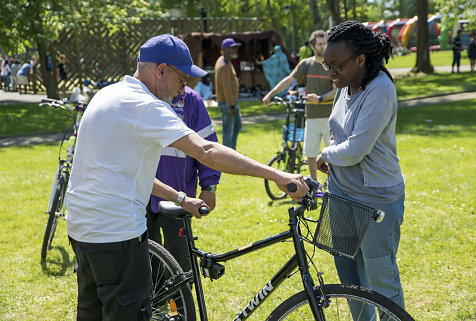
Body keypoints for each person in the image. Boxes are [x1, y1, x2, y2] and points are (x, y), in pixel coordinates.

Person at [66, 34, 308, 321]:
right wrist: (277, 175)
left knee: (91, 313)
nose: (183, 90)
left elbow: (126, 174)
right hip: (116, 236)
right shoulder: (146, 105)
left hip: (82, 231)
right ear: (161, 71)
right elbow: (206, 150)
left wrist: (181, 198)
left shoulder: (107, 94)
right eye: (182, 80)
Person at [316, 21, 406, 316]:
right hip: (341, 195)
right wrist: (331, 148)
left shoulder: (380, 89)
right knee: (350, 280)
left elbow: (356, 149)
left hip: (375, 197)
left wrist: (326, 154)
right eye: (326, 64)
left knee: (382, 281)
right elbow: (336, 129)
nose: (331, 72)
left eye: (337, 65)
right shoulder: (345, 85)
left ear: (361, 60)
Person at [146, 85, 221, 272]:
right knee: (143, 251)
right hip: (141, 192)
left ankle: (179, 300)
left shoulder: (191, 100)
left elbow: (207, 144)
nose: (180, 86)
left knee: (179, 256)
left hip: (178, 197)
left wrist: (209, 186)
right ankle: (151, 298)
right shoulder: (140, 97)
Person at [263, 30, 337, 183]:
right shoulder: (306, 64)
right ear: (312, 46)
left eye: (325, 43)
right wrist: (271, 93)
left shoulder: (332, 65)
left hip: (331, 117)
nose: (323, 47)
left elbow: (338, 89)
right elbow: (289, 80)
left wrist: (320, 98)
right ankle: (314, 184)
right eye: (320, 44)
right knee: (310, 153)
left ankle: (334, 184)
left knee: (333, 153)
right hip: (310, 116)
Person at [214, 38, 242, 150]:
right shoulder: (224, 65)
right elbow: (227, 88)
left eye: (236, 47)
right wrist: (231, 106)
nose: (236, 50)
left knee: (236, 127)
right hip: (228, 104)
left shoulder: (224, 60)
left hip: (229, 102)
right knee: (228, 132)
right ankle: (228, 158)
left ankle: (232, 152)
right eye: (233, 48)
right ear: (225, 50)